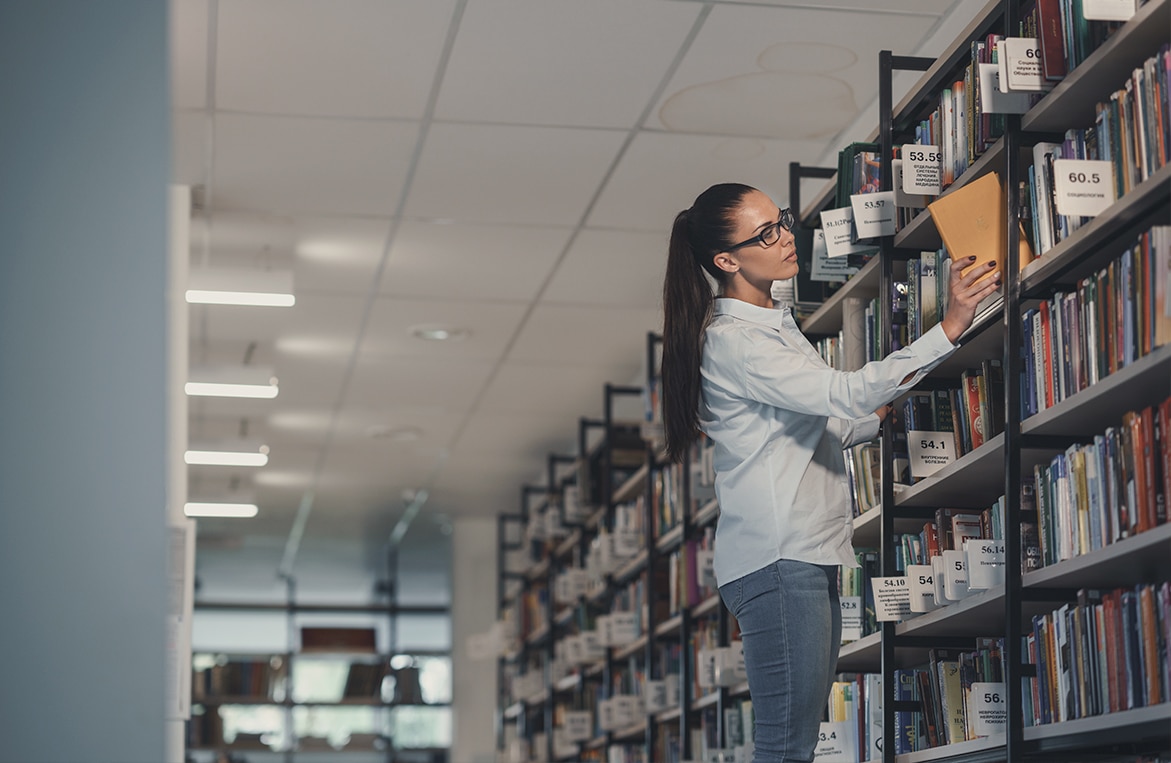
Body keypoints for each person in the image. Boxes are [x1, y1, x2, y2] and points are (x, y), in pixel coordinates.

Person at [660, 182, 1000, 762]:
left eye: (782, 220)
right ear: (726, 260)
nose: (785, 236)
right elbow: (841, 395)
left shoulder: (773, 325)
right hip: (779, 560)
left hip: (795, 557)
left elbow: (829, 425)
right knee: (787, 747)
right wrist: (947, 328)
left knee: (793, 743)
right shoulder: (738, 341)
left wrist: (875, 414)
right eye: (765, 232)